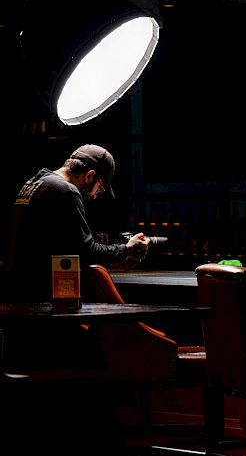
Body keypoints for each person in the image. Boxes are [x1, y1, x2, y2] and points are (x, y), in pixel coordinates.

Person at [2, 144, 150, 368]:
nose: (95, 196)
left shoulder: (34, 183)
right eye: (99, 189)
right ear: (90, 176)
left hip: (18, 299)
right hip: (44, 306)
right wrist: (126, 249)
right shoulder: (66, 191)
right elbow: (86, 250)